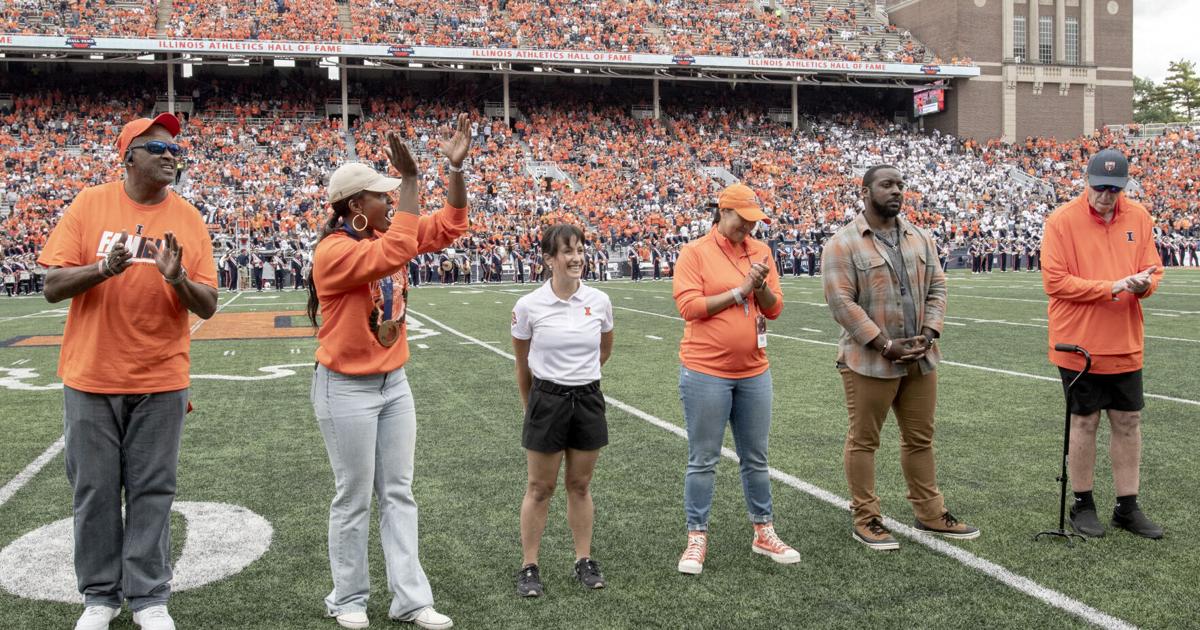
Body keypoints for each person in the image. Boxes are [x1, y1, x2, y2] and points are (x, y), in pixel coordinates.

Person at [37, 112, 218, 630]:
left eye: (175, 151)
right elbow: (51, 286)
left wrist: (178, 278)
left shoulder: (188, 217)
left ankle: (150, 597)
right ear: (129, 156)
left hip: (161, 377)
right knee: (93, 490)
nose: (170, 157)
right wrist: (103, 269)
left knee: (152, 491)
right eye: (158, 149)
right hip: (91, 376)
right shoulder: (89, 204)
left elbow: (206, 304)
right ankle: (100, 596)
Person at [307, 114, 471, 630]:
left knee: (398, 491)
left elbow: (449, 226)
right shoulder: (333, 250)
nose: (391, 200)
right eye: (383, 194)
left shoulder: (384, 231)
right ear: (357, 206)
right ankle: (348, 598)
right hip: (345, 387)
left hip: (392, 383)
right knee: (354, 495)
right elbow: (397, 247)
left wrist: (453, 171)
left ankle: (410, 598)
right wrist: (414, 181)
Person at [821, 164, 979, 551]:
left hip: (920, 358)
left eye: (900, 185)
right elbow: (841, 302)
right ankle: (867, 516)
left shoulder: (920, 237)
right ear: (865, 191)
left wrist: (929, 333)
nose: (896, 191)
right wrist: (884, 344)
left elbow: (938, 286)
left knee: (920, 438)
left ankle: (929, 511)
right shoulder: (843, 243)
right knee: (864, 440)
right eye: (887, 185)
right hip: (869, 360)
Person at [671, 183, 799, 575]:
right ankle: (696, 537)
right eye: (742, 220)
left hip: (755, 370)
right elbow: (689, 307)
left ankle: (764, 531)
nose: (748, 228)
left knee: (756, 458)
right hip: (706, 371)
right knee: (703, 458)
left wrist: (759, 290)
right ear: (722, 212)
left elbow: (775, 310)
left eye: (753, 222)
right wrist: (739, 291)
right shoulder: (695, 252)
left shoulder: (761, 252)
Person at [1041, 149, 1165, 539]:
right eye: (1100, 188)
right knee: (1085, 420)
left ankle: (1127, 507)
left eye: (1114, 189)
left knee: (1128, 421)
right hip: (1078, 343)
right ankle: (1083, 503)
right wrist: (1110, 287)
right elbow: (1055, 282)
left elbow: (1153, 267)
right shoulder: (1061, 221)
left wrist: (1146, 285)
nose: (1106, 196)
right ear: (1086, 181)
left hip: (1125, 339)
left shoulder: (1139, 217)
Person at [511, 223, 615, 597]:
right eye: (567, 251)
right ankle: (529, 565)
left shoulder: (600, 300)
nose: (576, 258)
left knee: (581, 485)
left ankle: (583, 559)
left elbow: (604, 350)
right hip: (547, 399)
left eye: (580, 250)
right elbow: (522, 364)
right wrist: (532, 407)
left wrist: (581, 378)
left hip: (587, 398)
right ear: (549, 259)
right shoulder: (528, 305)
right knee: (540, 487)